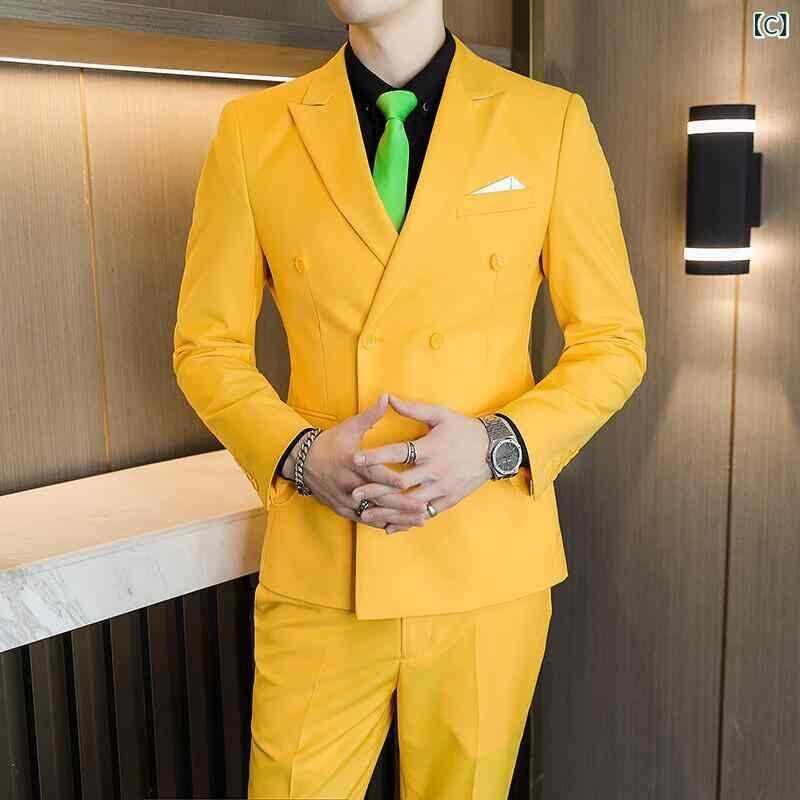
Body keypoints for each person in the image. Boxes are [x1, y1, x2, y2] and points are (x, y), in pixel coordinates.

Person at [172, 1, 647, 797]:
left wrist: (497, 445)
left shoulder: (548, 122)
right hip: (323, 563)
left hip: (485, 567)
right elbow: (205, 345)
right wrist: (298, 454)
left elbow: (613, 341)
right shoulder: (253, 131)